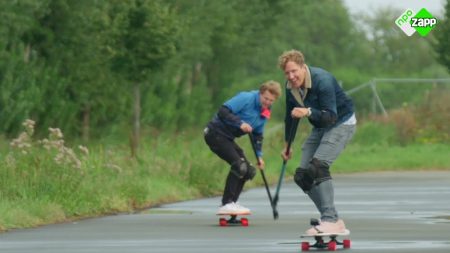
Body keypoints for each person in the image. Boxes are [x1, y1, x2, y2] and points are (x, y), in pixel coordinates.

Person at [278, 50, 356, 235]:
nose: (291, 76)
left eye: (294, 71)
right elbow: (291, 117)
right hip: (320, 126)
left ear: (303, 66)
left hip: (341, 123)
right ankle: (333, 220)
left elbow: (330, 117)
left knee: (318, 167)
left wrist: (308, 112)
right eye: (287, 73)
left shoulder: (323, 80)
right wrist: (288, 145)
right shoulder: (291, 87)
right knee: (303, 176)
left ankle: (329, 219)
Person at [204, 80, 282, 215]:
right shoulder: (246, 98)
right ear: (260, 93)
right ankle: (227, 203)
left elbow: (257, 135)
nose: (267, 102)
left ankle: (232, 203)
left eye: (271, 101)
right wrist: (240, 123)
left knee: (249, 170)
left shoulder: (265, 111)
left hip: (227, 138)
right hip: (215, 133)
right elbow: (223, 111)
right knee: (239, 165)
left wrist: (259, 156)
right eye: (266, 98)